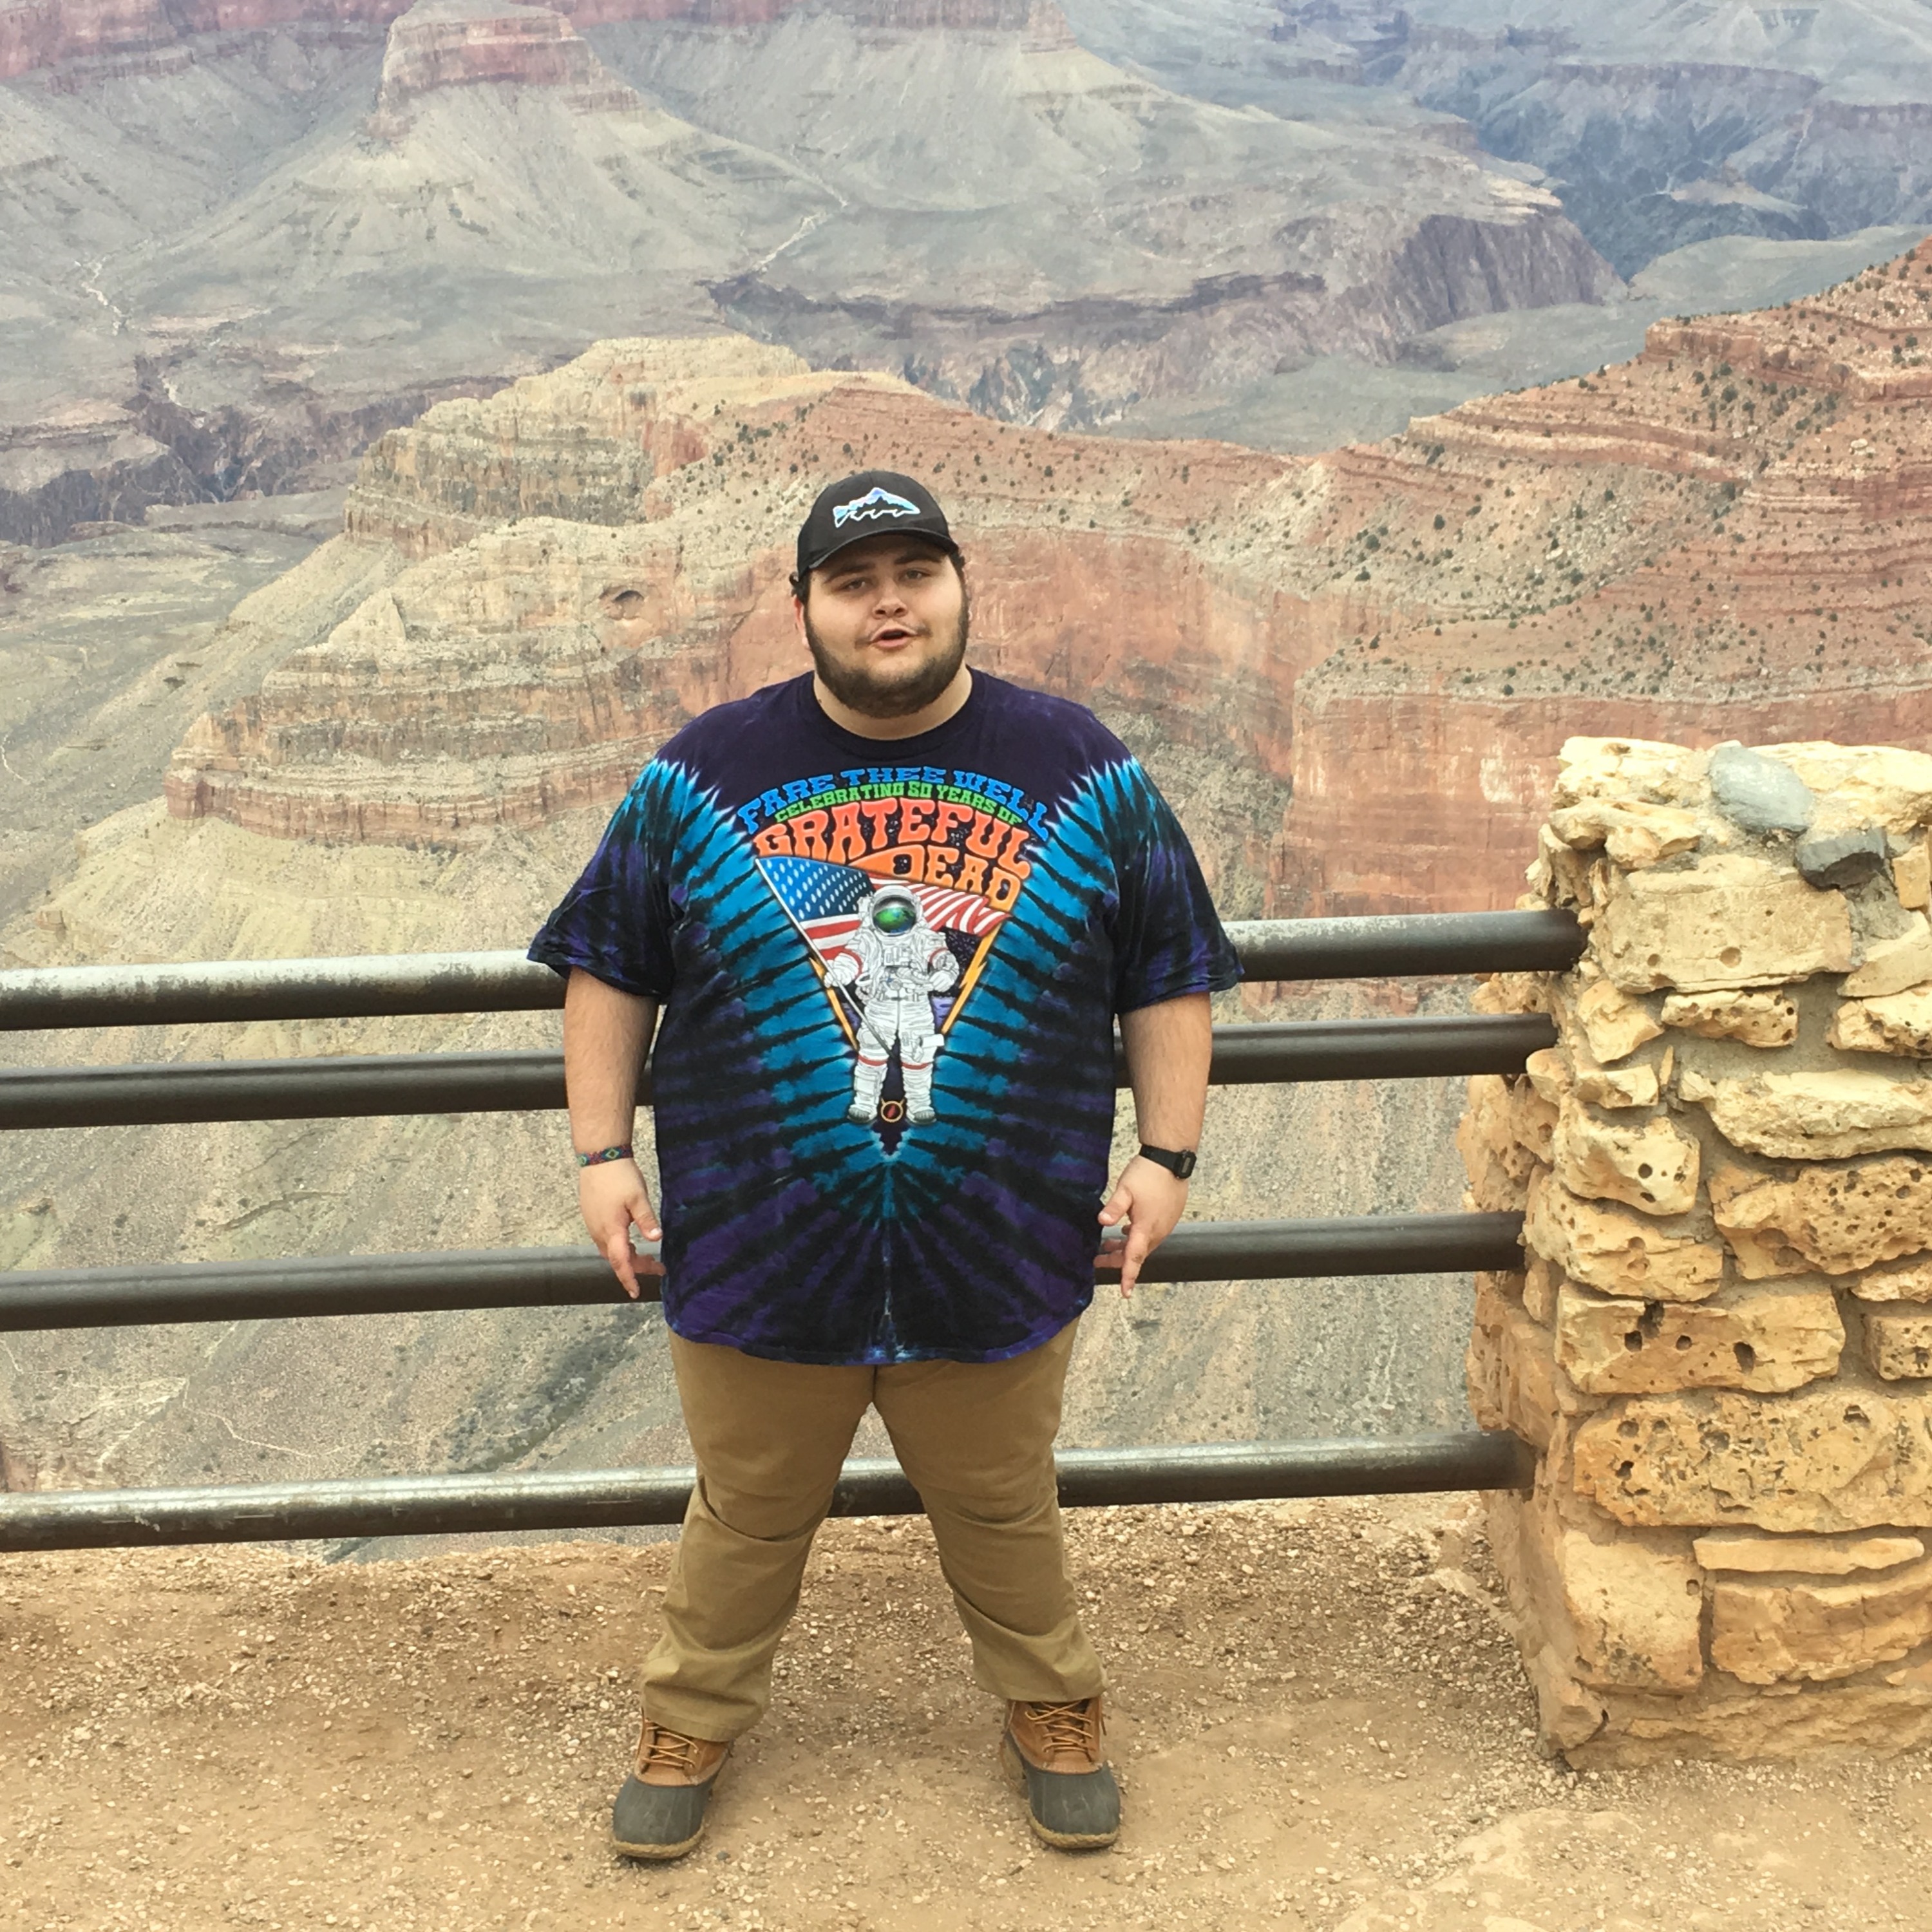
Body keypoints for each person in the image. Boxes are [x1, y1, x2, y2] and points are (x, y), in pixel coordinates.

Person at [529, 468, 1238, 1862]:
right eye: (854, 582)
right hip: (760, 1241)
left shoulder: (1083, 769)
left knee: (1002, 1504)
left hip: (1001, 1238)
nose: (889, 604)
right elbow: (612, 963)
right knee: (748, 1511)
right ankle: (691, 1716)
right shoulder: (700, 774)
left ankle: (1051, 1703)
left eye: (915, 573)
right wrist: (601, 1151)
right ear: (803, 606)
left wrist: (1168, 1155)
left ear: (962, 585)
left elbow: (1166, 969)